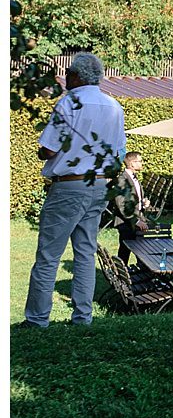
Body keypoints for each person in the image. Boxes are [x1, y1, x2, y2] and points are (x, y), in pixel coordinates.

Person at [23, 52, 127, 330]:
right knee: (84, 252)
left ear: (77, 76)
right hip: (99, 182)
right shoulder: (114, 106)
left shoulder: (69, 103)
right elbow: (118, 154)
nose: (66, 77)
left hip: (69, 185)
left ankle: (37, 319)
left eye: (69, 72)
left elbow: (48, 148)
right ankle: (83, 317)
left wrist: (41, 151)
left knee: (48, 255)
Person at [110, 151, 150, 264]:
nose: (142, 163)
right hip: (127, 222)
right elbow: (122, 205)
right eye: (140, 161)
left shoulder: (133, 178)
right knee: (125, 251)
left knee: (140, 250)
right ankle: (121, 276)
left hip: (137, 219)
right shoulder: (122, 180)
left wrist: (143, 202)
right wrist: (136, 221)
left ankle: (139, 274)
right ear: (132, 163)